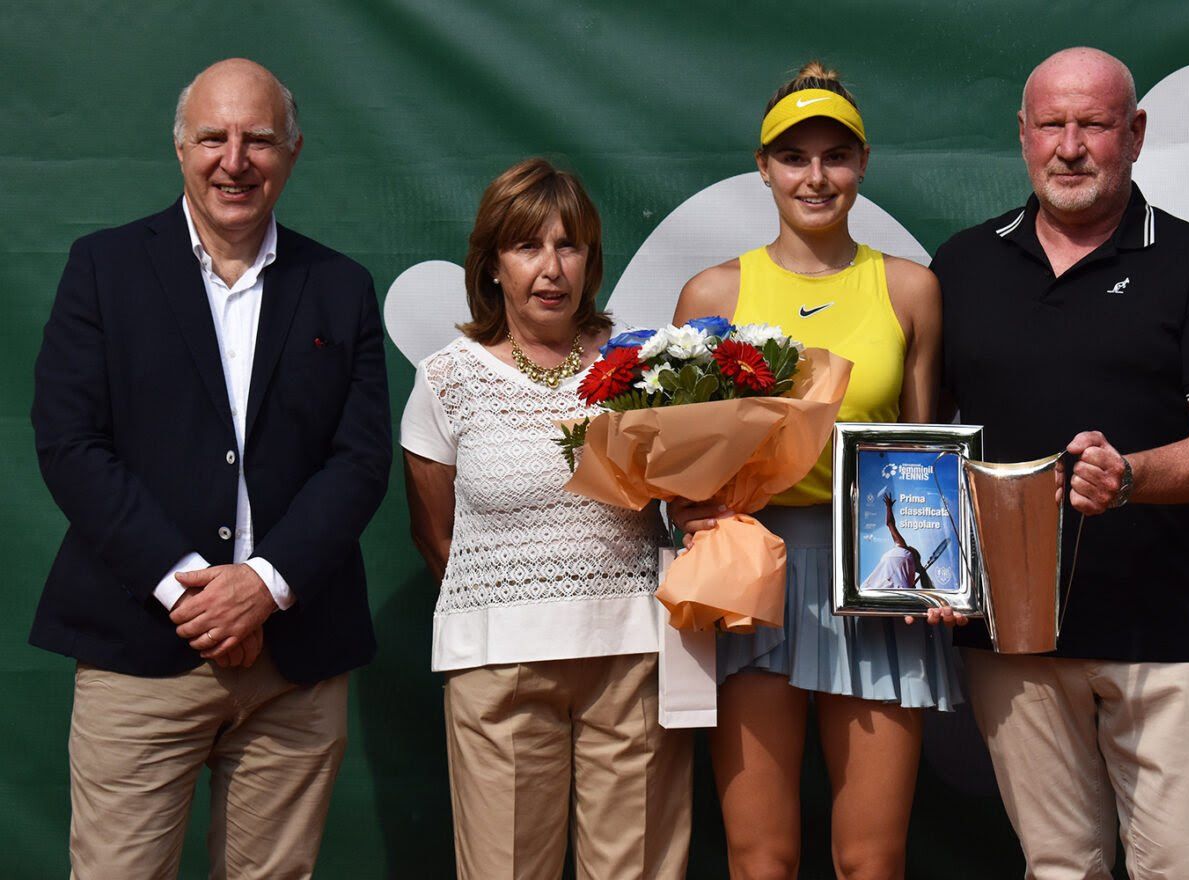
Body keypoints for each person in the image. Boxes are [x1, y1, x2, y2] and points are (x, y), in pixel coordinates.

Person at [29, 58, 391, 878]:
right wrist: (191, 584)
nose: (235, 159)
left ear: (293, 151)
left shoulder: (340, 287)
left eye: (258, 139)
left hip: (294, 664)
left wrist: (265, 583)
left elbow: (360, 459)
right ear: (180, 150)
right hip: (139, 650)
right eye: (213, 138)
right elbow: (69, 443)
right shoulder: (103, 269)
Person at [932, 47, 1189, 879]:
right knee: (1059, 868)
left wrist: (1130, 479)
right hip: (1011, 639)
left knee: (1183, 867)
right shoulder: (962, 267)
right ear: (1023, 135)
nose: (1071, 146)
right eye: (1053, 124)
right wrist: (927, 574)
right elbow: (923, 444)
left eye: (1094, 124)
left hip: (1165, 632)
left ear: (1136, 134)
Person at [670, 62, 961, 880]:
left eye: (835, 155)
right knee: (762, 857)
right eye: (794, 157)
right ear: (762, 167)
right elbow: (684, 463)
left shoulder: (912, 291)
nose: (816, 175)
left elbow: (919, 451)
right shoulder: (712, 293)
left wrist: (939, 570)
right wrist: (683, 511)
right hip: (751, 575)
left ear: (862, 163)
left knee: (872, 858)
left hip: (880, 575)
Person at [400, 158, 691, 880]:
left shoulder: (642, 367)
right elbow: (433, 533)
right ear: (493, 264)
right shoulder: (447, 378)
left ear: (591, 260)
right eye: (528, 246)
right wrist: (514, 609)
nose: (550, 268)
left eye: (570, 246)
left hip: (634, 663)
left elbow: (689, 496)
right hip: (499, 672)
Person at [860, 493, 926, 591]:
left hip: (875, 591)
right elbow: (890, 524)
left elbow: (890, 524)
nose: (910, 547)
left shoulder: (904, 549)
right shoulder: (905, 554)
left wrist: (889, 507)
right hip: (892, 594)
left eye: (912, 548)